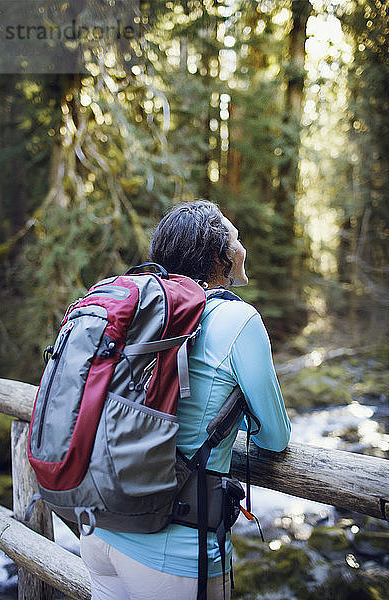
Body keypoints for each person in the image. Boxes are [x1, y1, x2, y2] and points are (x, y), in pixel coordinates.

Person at [80, 200, 291, 600]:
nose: (243, 246)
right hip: (174, 551)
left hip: (100, 528)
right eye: (237, 239)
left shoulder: (140, 307)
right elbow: (275, 438)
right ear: (220, 257)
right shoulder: (238, 320)